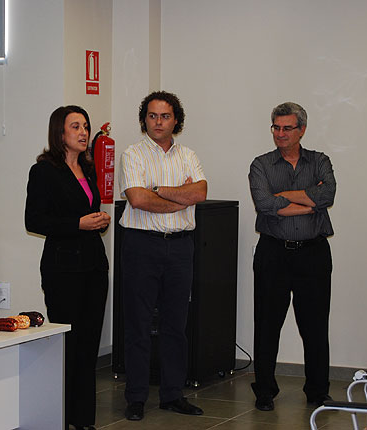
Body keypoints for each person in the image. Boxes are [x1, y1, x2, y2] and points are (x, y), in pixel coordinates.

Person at [119, 91, 207, 421]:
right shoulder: (133, 154)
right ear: (144, 119)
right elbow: (138, 200)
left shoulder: (188, 155)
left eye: (165, 116)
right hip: (142, 245)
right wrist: (179, 197)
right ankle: (136, 397)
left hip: (181, 245)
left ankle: (173, 394)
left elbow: (200, 192)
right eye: (152, 116)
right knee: (138, 324)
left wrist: (161, 191)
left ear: (176, 121)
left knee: (176, 324)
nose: (158, 122)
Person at [25, 105, 110, 430]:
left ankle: (84, 419)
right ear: (60, 133)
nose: (84, 132)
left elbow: (90, 214)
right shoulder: (44, 171)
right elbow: (35, 220)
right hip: (63, 270)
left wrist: (98, 221)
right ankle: (62, 416)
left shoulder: (88, 168)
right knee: (69, 345)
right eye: (76, 126)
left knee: (89, 344)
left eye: (86, 126)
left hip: (93, 266)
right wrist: (78, 223)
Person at [248, 102, 336, 411]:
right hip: (274, 253)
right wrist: (309, 200)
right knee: (267, 324)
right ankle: (264, 390)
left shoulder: (319, 161)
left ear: (302, 130)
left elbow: (328, 196)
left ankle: (317, 391)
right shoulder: (261, 164)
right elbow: (265, 204)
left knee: (314, 326)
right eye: (276, 127)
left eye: (287, 128)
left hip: (313, 254)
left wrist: (283, 196)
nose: (281, 134)